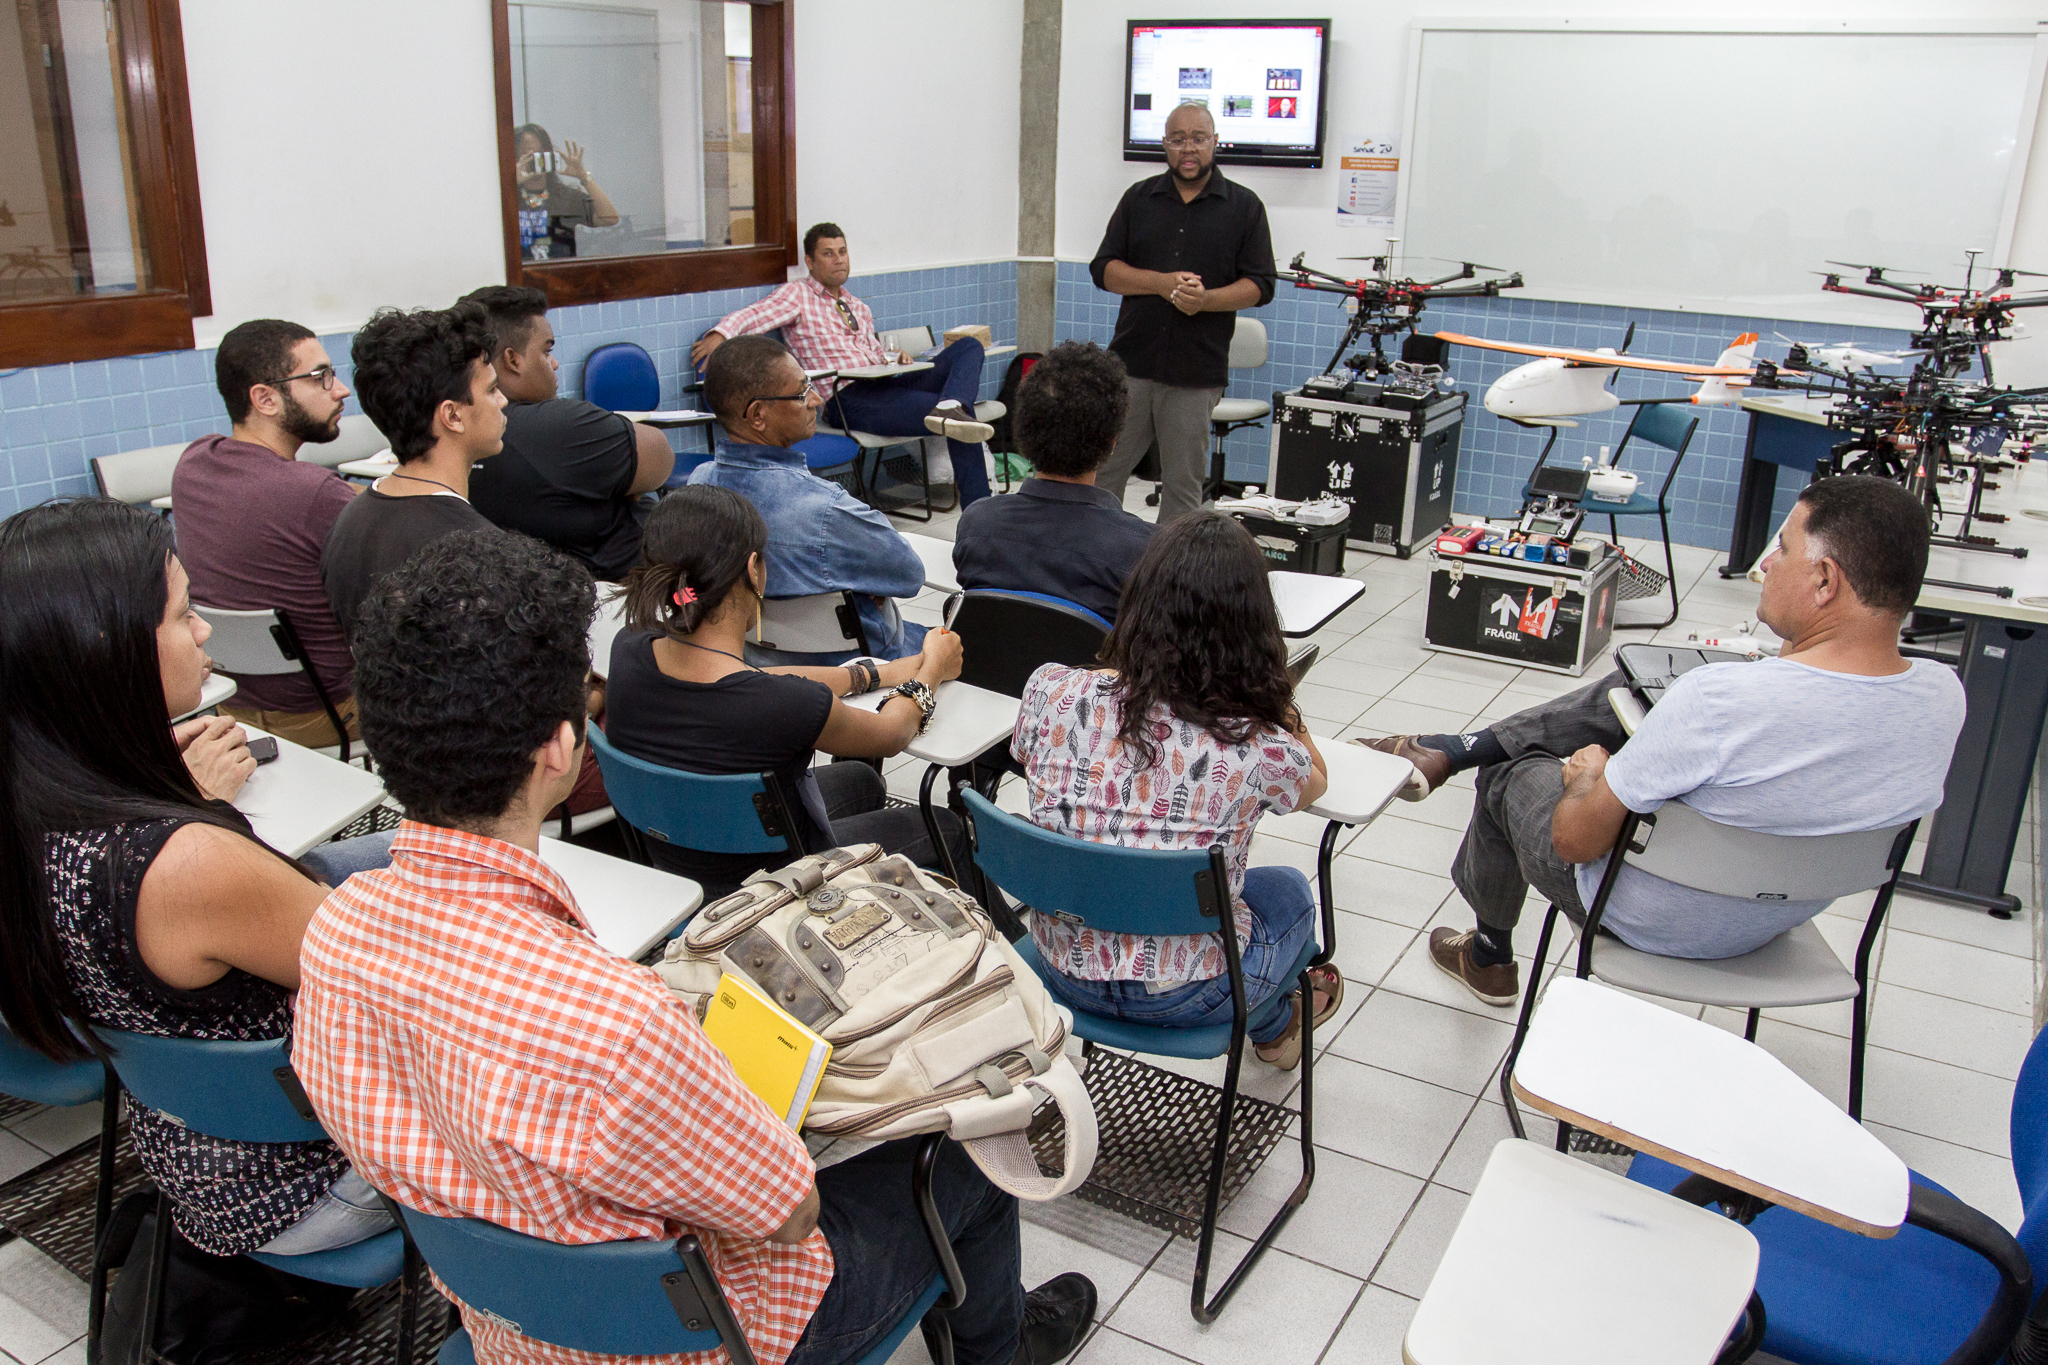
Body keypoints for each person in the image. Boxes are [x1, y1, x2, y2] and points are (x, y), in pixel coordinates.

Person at [292, 528, 1096, 1365]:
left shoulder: (334, 938)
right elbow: (788, 1212)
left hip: (509, 1329)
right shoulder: (618, 1023)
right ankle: (1004, 1346)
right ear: (562, 747)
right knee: (962, 1158)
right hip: (698, 1341)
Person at [1361, 475, 1967, 1006]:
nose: (1766, 566)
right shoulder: (1945, 696)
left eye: (1782, 550)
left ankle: (1489, 955)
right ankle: (1450, 748)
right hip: (1781, 912)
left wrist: (1589, 780)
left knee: (1513, 772)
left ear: (1825, 582)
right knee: (1638, 684)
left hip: (1650, 918)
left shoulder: (1718, 700)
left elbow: (1573, 842)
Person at [0, 499, 396, 1265]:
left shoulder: (46, 811)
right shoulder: (182, 861)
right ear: (107, 652)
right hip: (300, 1179)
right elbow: (389, 984)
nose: (205, 630)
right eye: (184, 615)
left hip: (193, 1152)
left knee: (399, 847)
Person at [1010, 513, 1340, 1070]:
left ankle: (1278, 1023)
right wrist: (1273, 695)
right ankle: (1279, 1023)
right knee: (1287, 891)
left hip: (1059, 966)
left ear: (1137, 601)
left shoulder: (1052, 689)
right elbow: (1316, 784)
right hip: (1190, 994)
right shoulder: (1259, 741)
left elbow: (1027, 757)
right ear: (1254, 627)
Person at [606, 485, 970, 898]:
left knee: (860, 780)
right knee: (947, 828)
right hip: (773, 889)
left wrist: (873, 674)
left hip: (678, 862)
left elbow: (753, 679)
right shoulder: (784, 706)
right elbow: (891, 734)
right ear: (754, 570)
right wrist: (932, 671)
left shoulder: (631, 647)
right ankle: (1006, 951)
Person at [691, 222, 996, 507]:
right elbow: (756, 314)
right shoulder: (799, 295)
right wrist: (721, 334)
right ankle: (978, 512)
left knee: (968, 345)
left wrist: (895, 358)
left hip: (886, 384)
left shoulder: (856, 305)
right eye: (828, 254)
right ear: (810, 262)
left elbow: (873, 355)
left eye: (842, 252)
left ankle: (951, 404)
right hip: (847, 398)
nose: (838, 260)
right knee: (962, 422)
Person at [170, 318, 361, 749]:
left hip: (228, 708)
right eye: (320, 377)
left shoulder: (195, 462)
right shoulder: (314, 494)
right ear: (265, 399)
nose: (341, 390)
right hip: (327, 713)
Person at [1090, 102, 1277, 525]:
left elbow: (1261, 284)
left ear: (1215, 142)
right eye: (1178, 140)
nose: (1187, 148)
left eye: (1197, 138)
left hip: (1196, 372)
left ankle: (1167, 582)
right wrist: (1159, 282)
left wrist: (1205, 299)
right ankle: (1094, 561)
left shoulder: (1244, 206)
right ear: (1165, 145)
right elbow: (1103, 270)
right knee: (1102, 473)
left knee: (1183, 488)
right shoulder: (1138, 199)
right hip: (1130, 364)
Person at [691, 335, 927, 663]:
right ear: (758, 415)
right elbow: (910, 574)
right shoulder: (825, 510)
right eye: (802, 392)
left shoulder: (697, 486)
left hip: (747, 659)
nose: (815, 399)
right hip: (859, 666)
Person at [459, 284, 675, 580]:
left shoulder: (456, 430)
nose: (555, 363)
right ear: (513, 360)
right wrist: (627, 487)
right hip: (617, 593)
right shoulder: (554, 426)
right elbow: (661, 455)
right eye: (546, 351)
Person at [321, 302, 504, 639]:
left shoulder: (346, 525)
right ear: (452, 416)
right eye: (492, 390)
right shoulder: (479, 550)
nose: (503, 401)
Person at [952, 341, 1155, 625]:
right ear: (1112, 443)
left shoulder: (976, 523)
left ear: (1023, 431)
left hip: (995, 669)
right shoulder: (1144, 549)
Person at [513, 122, 619, 261]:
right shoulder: (508, 199)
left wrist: (584, 177)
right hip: (517, 278)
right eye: (527, 154)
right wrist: (511, 182)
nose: (536, 159)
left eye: (540, 152)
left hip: (560, 276)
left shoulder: (565, 196)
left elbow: (609, 219)